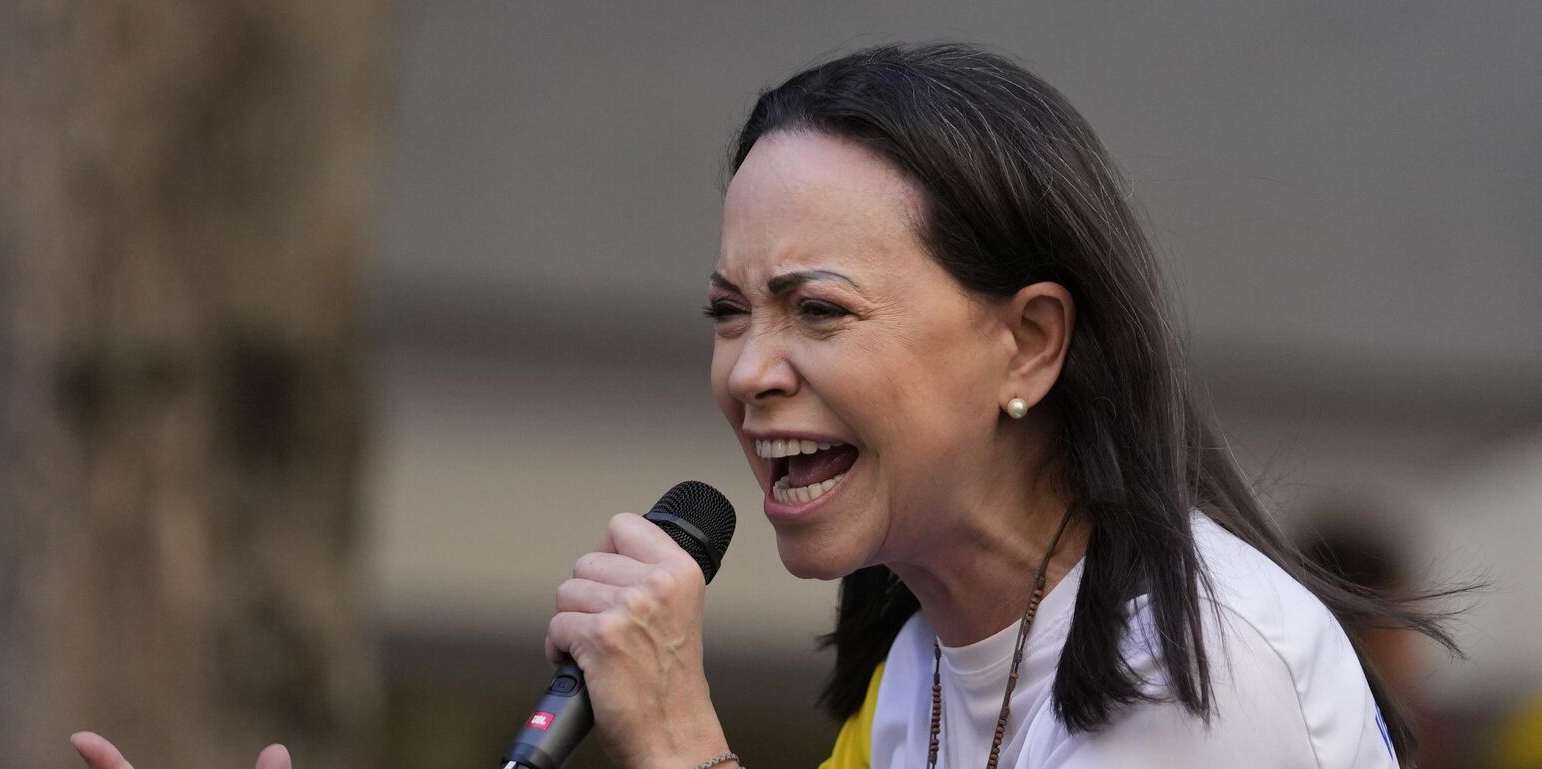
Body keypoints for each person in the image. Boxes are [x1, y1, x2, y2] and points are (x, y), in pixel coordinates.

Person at [72, 42, 1462, 769]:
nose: (749, 371)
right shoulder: (922, 668)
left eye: (819, 310)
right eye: (730, 314)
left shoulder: (1194, 671)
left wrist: (682, 742)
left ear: (1029, 342)